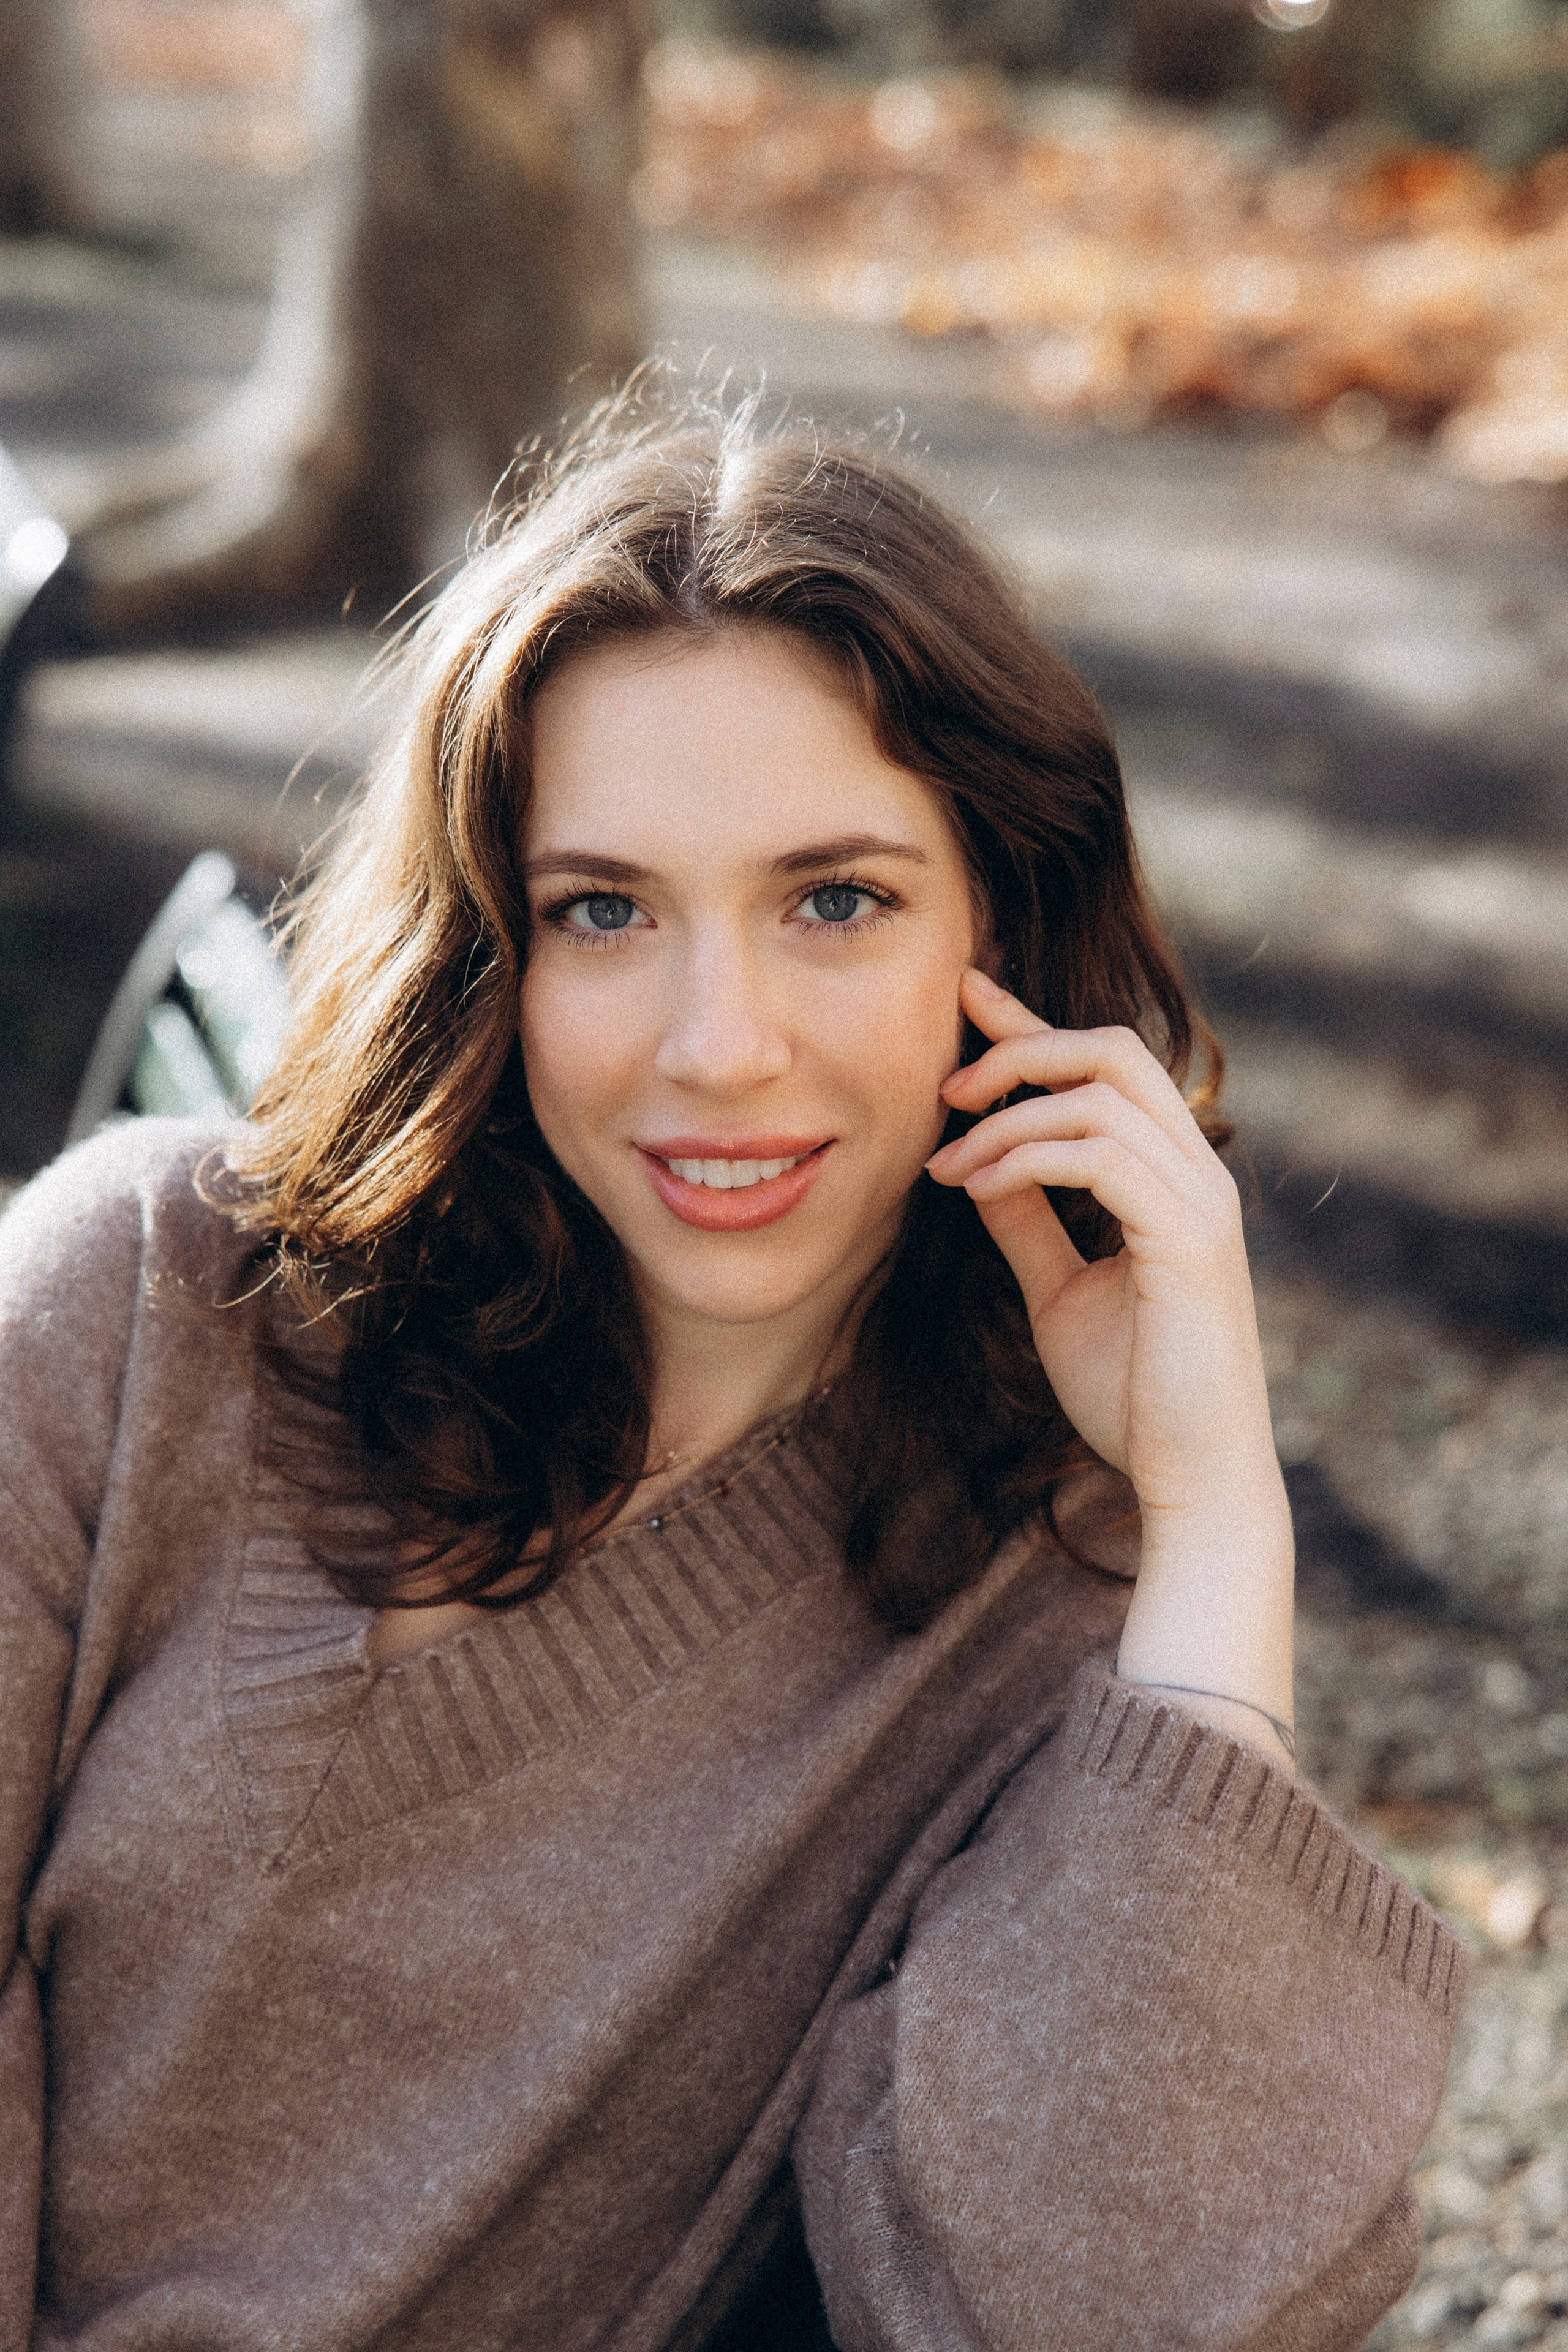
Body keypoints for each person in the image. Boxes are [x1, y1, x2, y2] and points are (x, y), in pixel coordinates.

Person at [0, 393, 1460, 2351]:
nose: (718, 1045)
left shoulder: (1049, 1627)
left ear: (1002, 924)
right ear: (488, 948)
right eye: (603, 911)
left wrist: (1211, 1529)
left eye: (834, 901)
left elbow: (1095, 2308)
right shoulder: (136, 1303)